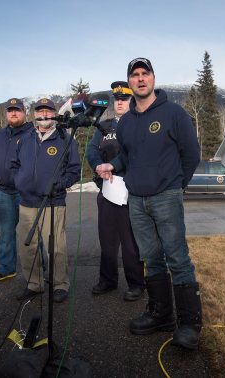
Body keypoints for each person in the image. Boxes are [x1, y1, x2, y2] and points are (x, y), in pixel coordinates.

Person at [96, 58, 203, 350]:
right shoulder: (127, 122)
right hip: (137, 200)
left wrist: (175, 186)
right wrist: (111, 167)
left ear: (153, 78)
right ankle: (161, 314)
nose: (140, 79)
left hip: (166, 196)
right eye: (135, 75)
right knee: (152, 258)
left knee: (177, 258)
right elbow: (127, 158)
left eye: (145, 74)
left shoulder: (173, 113)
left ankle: (190, 323)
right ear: (130, 82)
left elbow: (190, 154)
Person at [12, 98, 81, 303]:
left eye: (48, 111)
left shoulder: (65, 138)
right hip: (27, 202)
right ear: (35, 115)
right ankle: (35, 283)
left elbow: (74, 170)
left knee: (56, 246)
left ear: (54, 114)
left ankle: (60, 284)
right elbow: (14, 164)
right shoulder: (25, 138)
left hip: (53, 202)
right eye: (40, 111)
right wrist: (19, 181)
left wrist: (59, 184)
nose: (44, 114)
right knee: (28, 246)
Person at [86, 81, 145, 301]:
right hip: (107, 189)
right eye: (116, 99)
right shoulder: (105, 126)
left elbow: (137, 153)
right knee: (107, 239)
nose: (119, 102)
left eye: (124, 98)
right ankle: (108, 280)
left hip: (131, 190)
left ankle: (136, 283)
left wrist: (114, 166)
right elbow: (92, 150)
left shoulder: (139, 124)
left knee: (131, 242)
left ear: (132, 101)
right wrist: (98, 167)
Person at [0, 98, 33, 283]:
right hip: (3, 192)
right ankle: (7, 269)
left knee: (32, 232)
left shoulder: (33, 133)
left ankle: (39, 269)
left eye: (18, 110)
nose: (14, 113)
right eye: (10, 110)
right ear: (6, 113)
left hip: (26, 192)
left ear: (24, 113)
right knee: (5, 233)